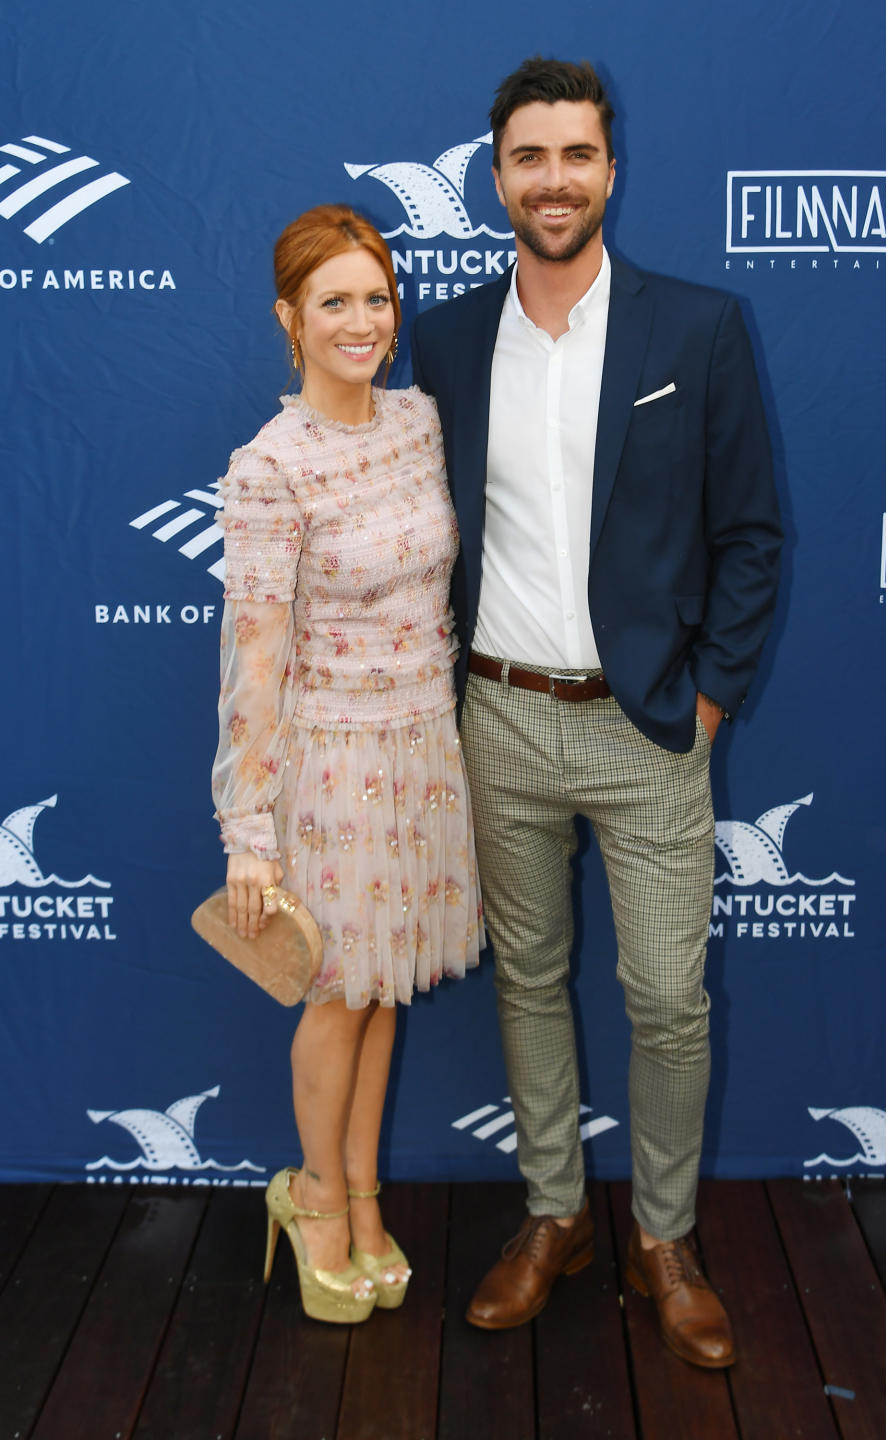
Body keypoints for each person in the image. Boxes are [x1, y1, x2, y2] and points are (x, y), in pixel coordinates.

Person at [411, 58, 781, 1367]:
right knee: (531, 981)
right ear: (495, 174)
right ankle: (556, 1216)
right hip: (497, 717)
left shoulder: (698, 329)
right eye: (529, 157)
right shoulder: (447, 338)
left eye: (577, 154)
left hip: (647, 726)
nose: (554, 179)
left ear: (610, 168)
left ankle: (665, 1238)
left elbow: (752, 537)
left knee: (670, 997)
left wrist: (713, 698)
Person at [212, 204, 482, 1325]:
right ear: (290, 319)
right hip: (327, 765)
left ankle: (364, 1199)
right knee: (334, 991)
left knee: (380, 995)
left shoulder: (420, 424)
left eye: (377, 297)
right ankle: (312, 1196)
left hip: (426, 746)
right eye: (335, 302)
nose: (362, 321)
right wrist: (248, 830)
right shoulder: (271, 467)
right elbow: (253, 660)